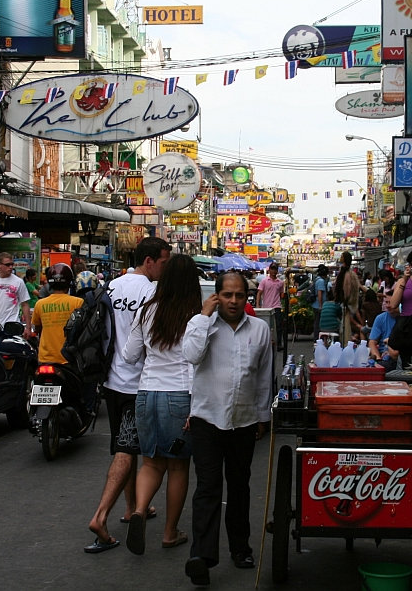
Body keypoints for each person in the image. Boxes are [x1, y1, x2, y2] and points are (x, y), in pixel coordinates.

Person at [181, 272, 272, 587]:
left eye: (239, 295)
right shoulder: (202, 326)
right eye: (228, 295)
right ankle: (202, 556)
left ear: (247, 297)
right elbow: (190, 356)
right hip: (206, 419)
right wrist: (204, 317)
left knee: (240, 486)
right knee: (207, 488)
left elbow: (263, 377)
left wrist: (263, 417)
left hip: (244, 421)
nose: (234, 301)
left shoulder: (259, 329)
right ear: (217, 296)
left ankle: (240, 548)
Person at [86, 236, 171, 554]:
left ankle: (132, 507)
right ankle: (101, 515)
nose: (165, 268)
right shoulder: (152, 292)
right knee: (131, 449)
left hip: (112, 381)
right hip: (140, 383)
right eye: (163, 262)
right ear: (149, 261)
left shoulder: (112, 287)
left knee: (127, 446)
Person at [122, 254, 201, 555]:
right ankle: (169, 532)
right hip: (180, 395)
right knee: (178, 467)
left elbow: (130, 356)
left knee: (151, 462)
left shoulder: (147, 310)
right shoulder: (195, 315)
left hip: (146, 395)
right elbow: (196, 362)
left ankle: (140, 510)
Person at [31, 264, 83, 365]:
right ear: (70, 283)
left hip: (45, 358)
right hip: (69, 359)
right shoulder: (78, 302)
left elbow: (37, 328)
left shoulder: (40, 304)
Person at [334, 251, 362, 344]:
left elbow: (347, 288)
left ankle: (345, 343)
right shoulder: (347, 272)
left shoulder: (347, 273)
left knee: (345, 327)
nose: (340, 257)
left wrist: (344, 300)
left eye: (342, 256)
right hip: (344, 303)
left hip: (344, 303)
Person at [367, 293, 399, 369]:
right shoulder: (380, 318)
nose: (387, 306)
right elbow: (372, 342)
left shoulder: (404, 319)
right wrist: (378, 358)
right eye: (386, 302)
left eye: (390, 302)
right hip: (382, 357)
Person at [256, 262, 284, 341]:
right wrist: (258, 305)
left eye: (275, 269)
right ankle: (267, 342)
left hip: (277, 306)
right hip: (267, 307)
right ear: (269, 270)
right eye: (272, 269)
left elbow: (281, 294)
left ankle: (278, 343)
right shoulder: (264, 281)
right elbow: (259, 293)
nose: (274, 271)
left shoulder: (280, 282)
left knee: (278, 326)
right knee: (267, 326)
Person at [310, 264, 329, 340]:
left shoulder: (317, 279)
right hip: (318, 305)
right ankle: (317, 339)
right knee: (318, 323)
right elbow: (319, 293)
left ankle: (317, 338)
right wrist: (321, 305)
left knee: (317, 322)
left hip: (316, 305)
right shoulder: (321, 281)